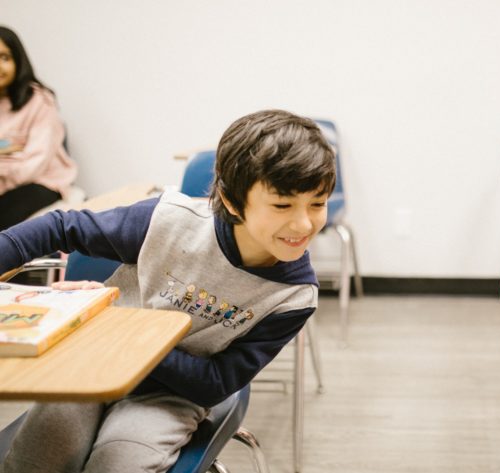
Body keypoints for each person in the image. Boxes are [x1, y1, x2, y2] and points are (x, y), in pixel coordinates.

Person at [0, 109, 335, 472]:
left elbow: (216, 384)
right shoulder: (170, 222)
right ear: (232, 200)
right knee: (34, 463)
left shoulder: (294, 297)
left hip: (169, 398)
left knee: (118, 465)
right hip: (93, 364)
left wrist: (121, 332)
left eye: (317, 203)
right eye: (282, 205)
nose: (304, 223)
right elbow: (60, 227)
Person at [0, 26, 77, 231]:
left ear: (18, 59)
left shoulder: (40, 101)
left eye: (4, 57)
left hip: (40, 182)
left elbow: (35, 163)